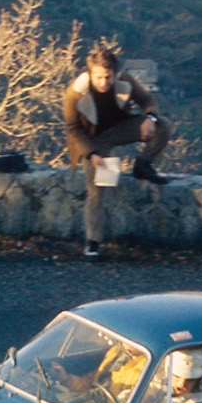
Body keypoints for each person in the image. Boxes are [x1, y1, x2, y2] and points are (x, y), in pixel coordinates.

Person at [63, 39, 170, 261]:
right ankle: (93, 242)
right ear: (90, 74)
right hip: (93, 140)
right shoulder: (75, 92)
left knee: (163, 126)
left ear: (115, 73)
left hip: (120, 128)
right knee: (97, 189)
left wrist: (149, 118)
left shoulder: (124, 82)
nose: (104, 82)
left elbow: (148, 99)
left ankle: (143, 165)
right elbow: (73, 128)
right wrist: (92, 154)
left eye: (108, 77)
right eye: (99, 77)